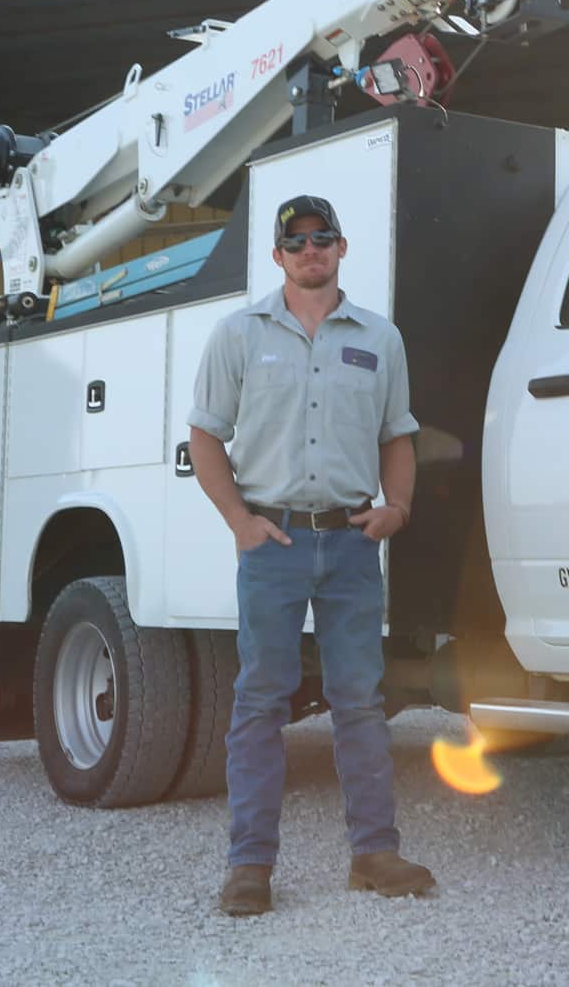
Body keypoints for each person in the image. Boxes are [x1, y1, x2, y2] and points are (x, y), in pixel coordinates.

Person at [186, 193, 433, 916]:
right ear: (278, 256)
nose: (310, 250)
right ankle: (250, 866)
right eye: (295, 242)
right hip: (275, 543)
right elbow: (205, 436)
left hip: (352, 545)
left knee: (360, 702)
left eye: (322, 237)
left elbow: (397, 434)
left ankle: (374, 854)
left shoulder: (381, 338)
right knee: (261, 702)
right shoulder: (238, 335)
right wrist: (240, 521)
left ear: (342, 247)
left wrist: (397, 507)